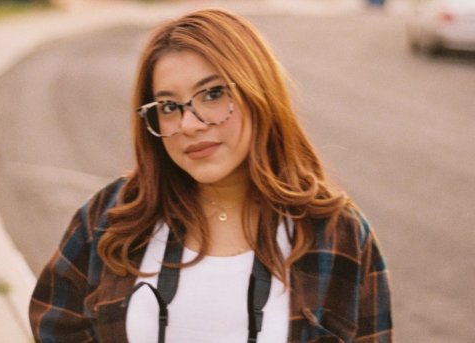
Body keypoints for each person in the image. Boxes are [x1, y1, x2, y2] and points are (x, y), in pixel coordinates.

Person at [29, 8, 393, 343]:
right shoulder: (112, 216)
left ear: (259, 93)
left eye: (213, 94)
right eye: (169, 106)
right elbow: (53, 326)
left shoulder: (337, 235)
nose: (189, 124)